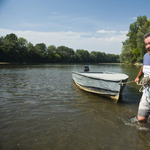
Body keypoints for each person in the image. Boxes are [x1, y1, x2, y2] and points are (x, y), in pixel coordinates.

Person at [135, 32, 150, 123]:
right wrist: (138, 77)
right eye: (146, 44)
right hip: (147, 92)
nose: (148, 46)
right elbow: (143, 67)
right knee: (141, 119)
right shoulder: (145, 56)